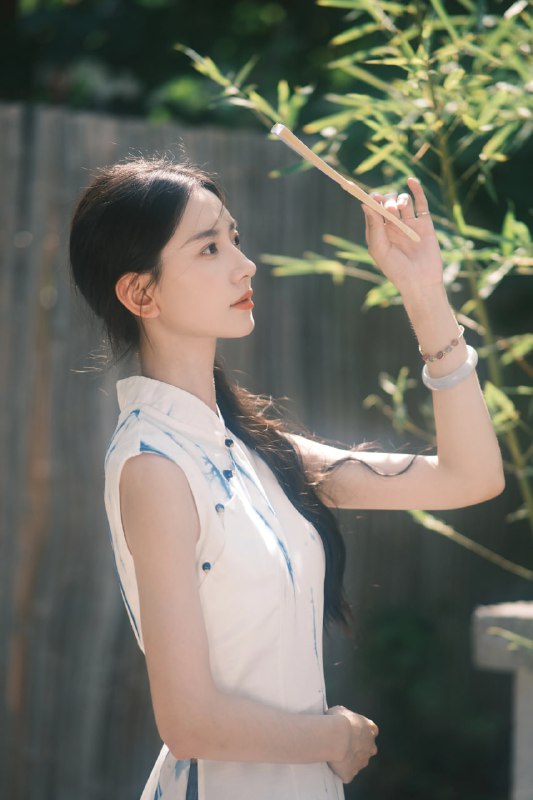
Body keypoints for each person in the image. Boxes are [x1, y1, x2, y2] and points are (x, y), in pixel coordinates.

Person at [69, 157, 504, 800]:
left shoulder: (257, 452)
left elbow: (470, 478)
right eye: (209, 247)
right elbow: (187, 722)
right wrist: (333, 737)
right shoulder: (155, 466)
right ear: (141, 295)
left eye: (235, 238)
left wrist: (424, 293)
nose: (245, 265)